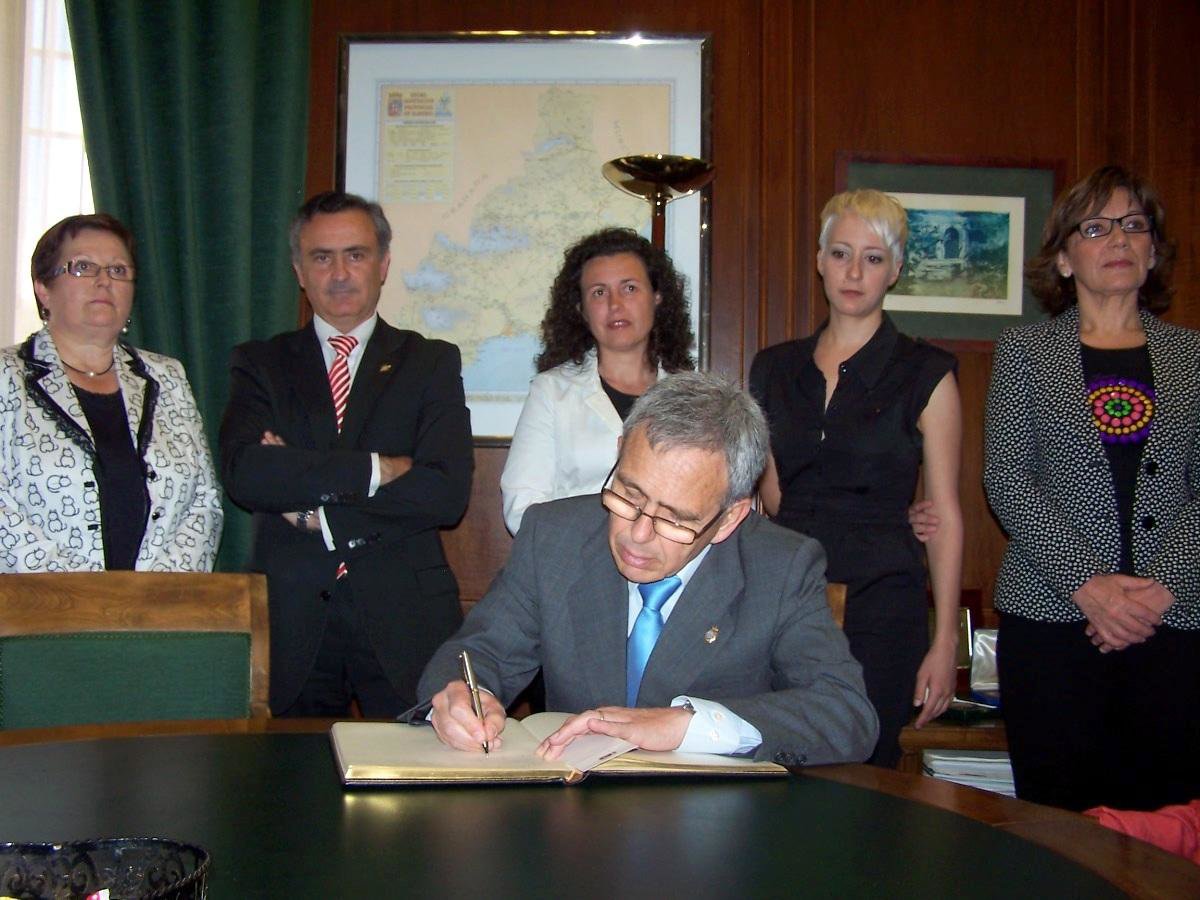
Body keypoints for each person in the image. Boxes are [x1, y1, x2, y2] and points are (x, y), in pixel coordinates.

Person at [418, 372, 878, 766]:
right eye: (628, 495)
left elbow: (845, 714)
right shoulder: (554, 537)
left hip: (714, 826)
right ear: (619, 453)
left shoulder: (780, 567)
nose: (637, 535)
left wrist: (688, 726)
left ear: (730, 518)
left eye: (675, 520)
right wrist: (458, 699)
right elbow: (479, 653)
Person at [983, 165, 1200, 811]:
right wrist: (1090, 587)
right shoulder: (1024, 350)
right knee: (1057, 824)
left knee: (1163, 826)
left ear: (1153, 251)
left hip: (1173, 623)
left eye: (1134, 225)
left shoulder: (1193, 356)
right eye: (1096, 228)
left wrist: (1158, 592)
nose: (1120, 239)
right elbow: (1007, 478)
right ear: (1064, 258)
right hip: (1052, 621)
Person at [220, 191, 473, 718]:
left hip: (404, 614)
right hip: (290, 618)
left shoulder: (429, 362)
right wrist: (379, 469)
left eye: (355, 255)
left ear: (383, 264)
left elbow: (445, 491)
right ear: (299, 271)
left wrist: (321, 515)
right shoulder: (261, 363)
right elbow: (247, 473)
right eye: (322, 257)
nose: (339, 274)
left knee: (412, 769)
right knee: (289, 769)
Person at [749, 189, 963, 768]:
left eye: (873, 258)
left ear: (894, 270)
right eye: (841, 253)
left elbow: (944, 515)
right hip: (788, 599)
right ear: (820, 260)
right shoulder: (773, 368)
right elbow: (775, 498)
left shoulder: (927, 373)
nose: (853, 272)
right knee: (781, 768)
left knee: (872, 775)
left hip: (884, 604)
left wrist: (945, 641)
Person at [0, 213, 222, 572]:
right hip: (37, 600)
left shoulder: (167, 377)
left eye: (118, 270)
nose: (104, 281)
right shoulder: (6, 375)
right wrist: (83, 596)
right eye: (83, 267)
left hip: (161, 601)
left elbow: (203, 500)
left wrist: (157, 594)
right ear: (43, 289)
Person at [500, 227, 694, 534]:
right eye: (599, 293)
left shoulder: (693, 397)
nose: (615, 304)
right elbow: (522, 509)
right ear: (582, 310)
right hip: (573, 557)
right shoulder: (551, 392)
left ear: (657, 297)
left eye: (629, 288)